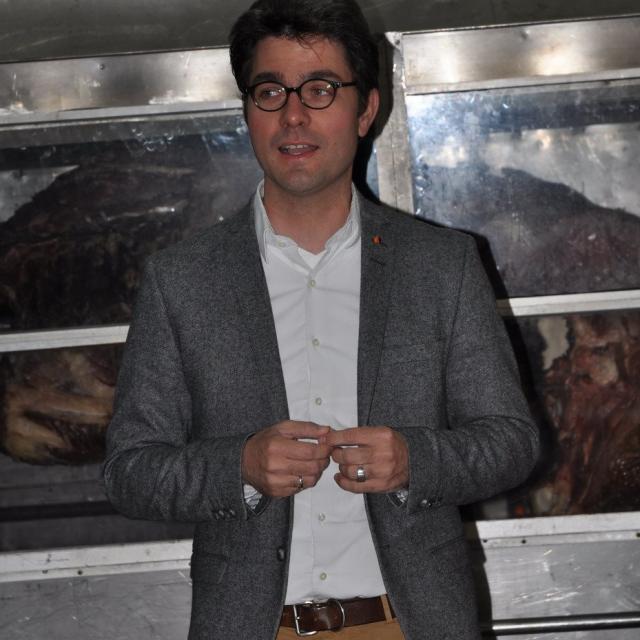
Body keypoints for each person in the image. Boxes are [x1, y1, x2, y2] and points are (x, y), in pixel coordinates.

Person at [104, 1, 540, 638]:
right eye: (270, 91)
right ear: (247, 111)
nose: (293, 115)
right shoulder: (183, 280)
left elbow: (511, 441)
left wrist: (416, 459)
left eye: (320, 89)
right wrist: (239, 467)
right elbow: (130, 471)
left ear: (365, 110)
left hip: (408, 623)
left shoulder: (440, 265)